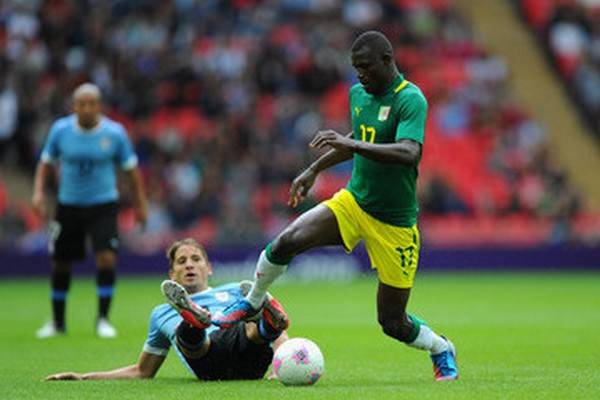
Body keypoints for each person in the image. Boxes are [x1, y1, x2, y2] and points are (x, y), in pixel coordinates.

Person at [213, 31, 459, 381]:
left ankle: (440, 347)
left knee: (392, 322)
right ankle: (252, 302)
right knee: (286, 241)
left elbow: (409, 152)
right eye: (355, 67)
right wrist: (313, 169)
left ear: (387, 60)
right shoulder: (359, 94)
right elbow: (357, 142)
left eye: (365, 67)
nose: (359, 74)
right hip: (354, 203)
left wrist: (351, 144)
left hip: (395, 223)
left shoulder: (411, 99)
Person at [45, 237, 290, 381]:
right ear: (172, 274)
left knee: (252, 321)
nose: (190, 265)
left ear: (209, 267)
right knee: (192, 335)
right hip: (207, 358)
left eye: (196, 259)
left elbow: (282, 336)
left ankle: (261, 315)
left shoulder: (236, 288)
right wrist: (85, 377)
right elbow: (143, 371)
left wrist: (281, 367)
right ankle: (195, 319)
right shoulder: (161, 313)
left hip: (249, 356)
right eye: (181, 262)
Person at [32, 83, 148, 339]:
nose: (86, 108)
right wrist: (39, 192)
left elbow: (131, 171)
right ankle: (57, 322)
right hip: (68, 205)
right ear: (74, 106)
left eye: (91, 103)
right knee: (61, 263)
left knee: (106, 258)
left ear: (99, 105)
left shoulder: (115, 133)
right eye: (81, 103)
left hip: (103, 205)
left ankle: (103, 319)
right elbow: (45, 164)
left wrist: (141, 205)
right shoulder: (61, 130)